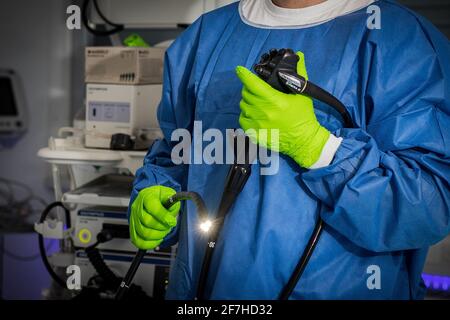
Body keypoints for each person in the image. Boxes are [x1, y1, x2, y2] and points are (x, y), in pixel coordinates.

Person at [128, 0, 450, 299]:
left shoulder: (398, 40)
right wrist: (156, 195)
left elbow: (431, 203)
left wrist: (317, 146)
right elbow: (175, 151)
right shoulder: (205, 36)